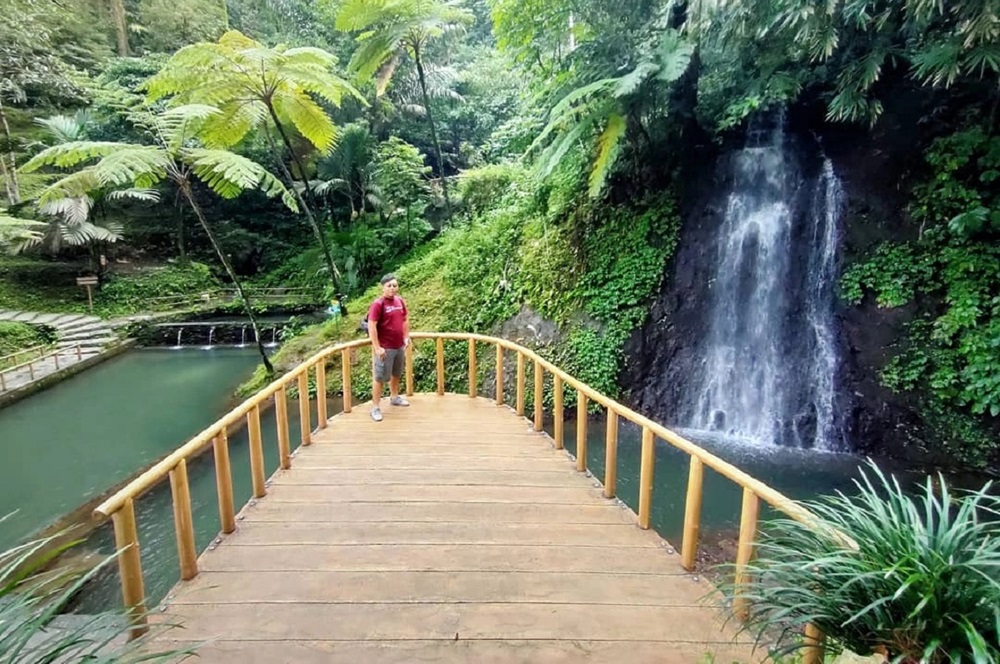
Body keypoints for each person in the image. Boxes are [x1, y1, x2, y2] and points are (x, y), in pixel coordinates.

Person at [367, 273, 410, 422]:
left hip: (399, 345)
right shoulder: (378, 304)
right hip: (385, 348)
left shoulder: (400, 301)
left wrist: (406, 337)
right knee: (379, 378)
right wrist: (377, 347)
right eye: (389, 285)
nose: (392, 288)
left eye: (394, 285)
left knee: (396, 373)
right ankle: (375, 407)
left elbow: (404, 319)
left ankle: (394, 397)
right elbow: (372, 325)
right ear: (383, 287)